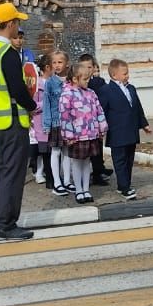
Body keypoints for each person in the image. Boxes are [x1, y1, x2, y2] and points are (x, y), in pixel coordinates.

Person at [0, 2, 38, 240]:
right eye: (18, 22)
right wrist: (33, 107)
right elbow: (18, 89)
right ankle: (6, 226)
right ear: (10, 24)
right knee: (13, 175)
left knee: (0, 172)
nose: (19, 27)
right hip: (13, 122)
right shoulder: (8, 53)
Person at [98, 58, 152, 200]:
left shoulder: (131, 88)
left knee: (129, 159)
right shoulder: (106, 90)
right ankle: (124, 187)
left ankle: (125, 183)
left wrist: (144, 124)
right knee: (120, 160)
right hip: (116, 132)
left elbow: (138, 108)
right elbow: (101, 111)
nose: (127, 75)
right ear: (114, 75)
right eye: (125, 73)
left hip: (131, 131)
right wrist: (99, 129)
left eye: (127, 73)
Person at [58, 62, 108, 204]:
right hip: (77, 136)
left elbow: (99, 111)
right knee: (77, 163)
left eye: (88, 78)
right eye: (85, 79)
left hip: (91, 134)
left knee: (87, 162)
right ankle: (78, 190)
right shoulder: (67, 95)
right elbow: (64, 116)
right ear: (75, 79)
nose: (88, 81)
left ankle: (86, 189)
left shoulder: (91, 93)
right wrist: (69, 135)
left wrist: (102, 127)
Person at [78, 53, 113, 186]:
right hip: (86, 121)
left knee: (98, 146)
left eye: (90, 66)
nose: (88, 70)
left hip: (98, 118)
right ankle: (96, 173)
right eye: (85, 67)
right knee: (91, 149)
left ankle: (99, 170)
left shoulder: (98, 82)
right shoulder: (83, 84)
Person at [41, 50, 73, 196]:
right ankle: (57, 182)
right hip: (55, 122)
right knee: (55, 151)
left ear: (67, 64)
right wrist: (46, 124)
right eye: (54, 62)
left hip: (69, 123)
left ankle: (67, 180)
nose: (57, 65)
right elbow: (46, 104)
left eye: (60, 62)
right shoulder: (50, 83)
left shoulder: (71, 82)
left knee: (67, 152)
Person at [29, 54, 56, 187]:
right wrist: (46, 104)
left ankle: (52, 175)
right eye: (54, 64)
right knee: (42, 151)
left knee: (52, 151)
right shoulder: (37, 84)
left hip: (53, 122)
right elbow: (34, 105)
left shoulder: (54, 82)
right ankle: (40, 173)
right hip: (40, 122)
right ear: (47, 67)